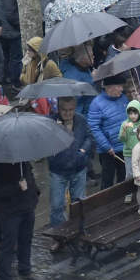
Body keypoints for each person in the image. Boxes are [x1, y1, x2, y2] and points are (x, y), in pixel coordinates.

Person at [0, 161, 41, 280]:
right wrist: (17, 187)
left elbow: (30, 177)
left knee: (26, 240)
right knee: (9, 246)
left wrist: (35, 193)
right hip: (10, 212)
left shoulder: (24, 161)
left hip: (27, 207)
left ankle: (25, 271)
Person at [46, 96, 91, 230]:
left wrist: (83, 151)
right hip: (58, 170)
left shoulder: (81, 120)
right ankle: (60, 235)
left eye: (71, 109)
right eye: (64, 110)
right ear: (58, 109)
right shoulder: (51, 122)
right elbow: (44, 143)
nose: (68, 113)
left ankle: (79, 231)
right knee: (57, 205)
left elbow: (89, 137)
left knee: (79, 203)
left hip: (78, 168)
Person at [89, 76, 130, 193]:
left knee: (124, 175)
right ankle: (107, 204)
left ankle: (122, 198)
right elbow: (94, 127)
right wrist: (106, 146)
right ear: (109, 87)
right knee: (108, 179)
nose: (122, 89)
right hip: (108, 150)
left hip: (125, 146)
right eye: (119, 86)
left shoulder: (124, 98)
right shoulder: (96, 104)